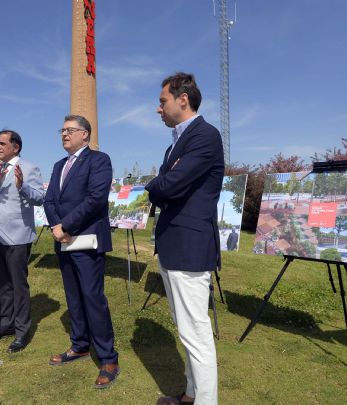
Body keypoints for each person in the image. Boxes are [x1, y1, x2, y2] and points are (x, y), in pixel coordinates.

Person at [146, 72, 224, 405]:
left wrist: (155, 184)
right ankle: (192, 394)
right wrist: (163, 182)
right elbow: (167, 187)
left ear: (183, 99)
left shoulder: (205, 135)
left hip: (189, 246)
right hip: (173, 243)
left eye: (162, 101)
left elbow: (170, 185)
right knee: (186, 330)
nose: (158, 109)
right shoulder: (175, 143)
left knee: (196, 333)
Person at [43, 115, 119, 389]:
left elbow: (96, 199)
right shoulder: (58, 165)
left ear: (85, 135)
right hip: (63, 240)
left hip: (86, 241)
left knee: (91, 297)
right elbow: (49, 199)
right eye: (62, 130)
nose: (64, 134)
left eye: (70, 130)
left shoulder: (99, 160)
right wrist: (56, 227)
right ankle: (80, 345)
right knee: (73, 297)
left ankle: (108, 359)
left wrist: (66, 225)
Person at [0, 129, 44, 353]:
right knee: (2, 284)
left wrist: (22, 186)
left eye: (2, 143)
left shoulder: (29, 168)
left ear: (16, 147)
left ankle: (22, 331)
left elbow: (40, 198)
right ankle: (5, 326)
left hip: (17, 235)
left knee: (18, 285)